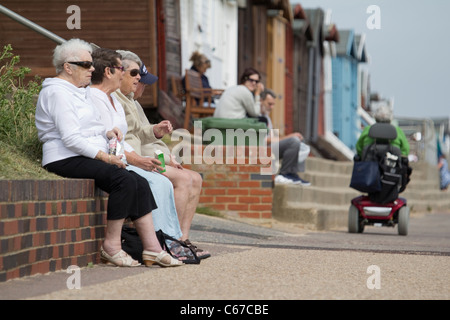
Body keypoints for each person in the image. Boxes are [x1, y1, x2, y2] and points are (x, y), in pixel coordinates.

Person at [35, 38, 182, 268]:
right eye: (86, 64)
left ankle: (153, 249)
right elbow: (71, 138)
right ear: (67, 67)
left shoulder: (77, 92)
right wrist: (106, 157)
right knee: (122, 180)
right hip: (63, 157)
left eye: (91, 64)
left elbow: (87, 127)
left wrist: (108, 132)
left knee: (139, 182)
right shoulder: (58, 92)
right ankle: (111, 247)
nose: (92, 68)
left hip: (80, 154)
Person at [112, 50, 210, 259]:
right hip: (137, 159)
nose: (141, 83)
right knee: (184, 179)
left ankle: (182, 239)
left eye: (141, 79)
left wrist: (157, 131)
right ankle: (172, 242)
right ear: (118, 73)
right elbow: (136, 142)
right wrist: (165, 157)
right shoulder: (118, 99)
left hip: (143, 157)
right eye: (135, 76)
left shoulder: (131, 101)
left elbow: (142, 133)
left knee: (195, 177)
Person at [89, 47, 183, 240]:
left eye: (139, 75)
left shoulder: (122, 101)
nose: (138, 79)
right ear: (110, 72)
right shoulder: (101, 97)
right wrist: (144, 160)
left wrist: (155, 145)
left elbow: (130, 137)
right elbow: (97, 140)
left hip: (129, 157)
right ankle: (161, 242)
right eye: (132, 73)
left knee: (171, 181)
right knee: (168, 181)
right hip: (118, 160)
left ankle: (172, 240)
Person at [260, 89, 311, 186]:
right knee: (293, 141)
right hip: (262, 150)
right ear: (261, 101)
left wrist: (287, 138)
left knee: (298, 141)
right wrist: (289, 137)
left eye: (273, 104)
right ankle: (284, 174)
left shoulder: (267, 118)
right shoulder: (256, 116)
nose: (272, 107)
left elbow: (273, 137)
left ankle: (293, 174)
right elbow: (263, 140)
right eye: (269, 104)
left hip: (271, 148)